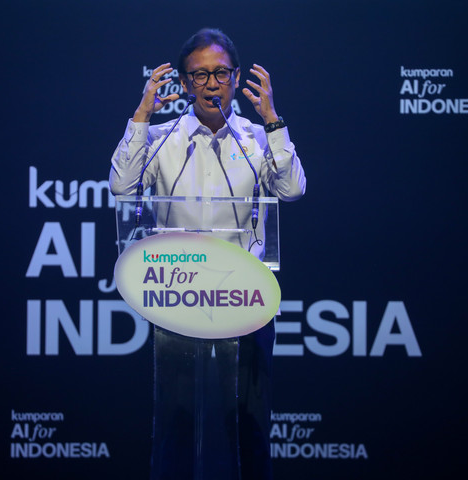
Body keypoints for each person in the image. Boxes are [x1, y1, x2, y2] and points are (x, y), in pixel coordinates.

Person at [110, 28, 306, 480]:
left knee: (249, 422)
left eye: (220, 73)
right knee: (177, 422)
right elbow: (122, 186)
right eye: (200, 75)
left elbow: (293, 189)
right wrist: (141, 115)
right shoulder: (161, 138)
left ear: (236, 78)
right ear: (185, 83)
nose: (211, 83)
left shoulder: (257, 139)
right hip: (179, 297)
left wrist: (272, 119)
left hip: (246, 300)